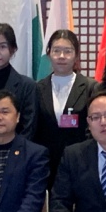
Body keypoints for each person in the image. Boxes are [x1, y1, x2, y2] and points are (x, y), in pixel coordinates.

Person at [33, 29, 94, 185]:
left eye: (67, 51)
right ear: (48, 54)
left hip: (81, 162)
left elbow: (93, 127)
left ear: (76, 55)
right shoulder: (38, 88)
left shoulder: (90, 87)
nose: (61, 56)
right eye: (56, 51)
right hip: (46, 163)